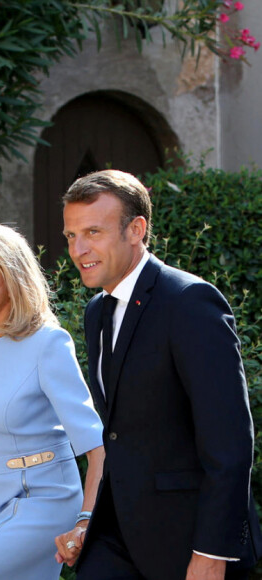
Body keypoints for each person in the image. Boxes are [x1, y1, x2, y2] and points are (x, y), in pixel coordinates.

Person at [55, 169, 262, 580]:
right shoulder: (96, 311)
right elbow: (116, 435)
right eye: (70, 236)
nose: (78, 249)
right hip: (113, 539)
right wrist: (87, 520)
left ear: (136, 230)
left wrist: (211, 551)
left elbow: (231, 442)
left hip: (186, 541)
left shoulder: (190, 302)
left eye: (93, 232)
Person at [0, 224, 105, 580]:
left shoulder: (47, 343)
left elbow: (97, 446)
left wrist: (86, 520)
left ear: (14, 278)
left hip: (43, 499)